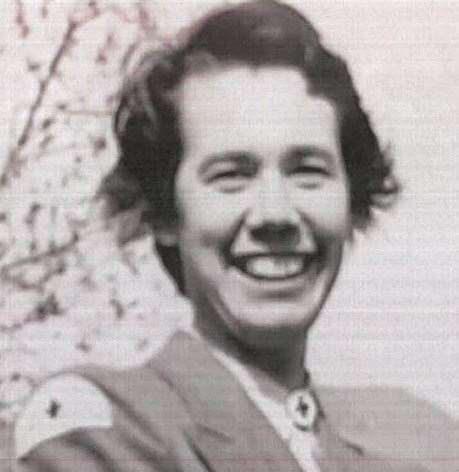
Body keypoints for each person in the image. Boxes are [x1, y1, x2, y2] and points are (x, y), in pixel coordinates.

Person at [13, 1, 458, 471]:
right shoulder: (105, 427)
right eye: (231, 175)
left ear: (350, 200)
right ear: (165, 213)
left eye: (307, 171)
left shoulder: (411, 444)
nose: (276, 214)